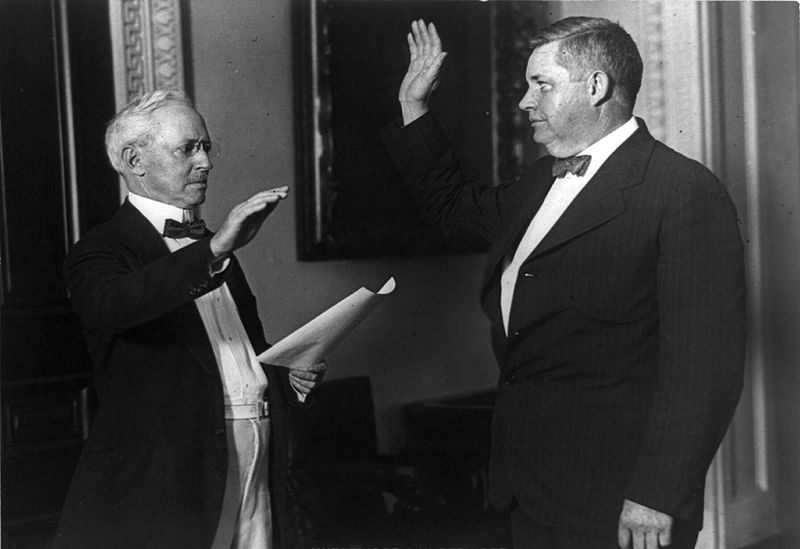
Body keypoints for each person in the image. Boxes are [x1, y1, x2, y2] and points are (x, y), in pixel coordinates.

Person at [381, 17, 745, 549]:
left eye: (541, 84)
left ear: (596, 87)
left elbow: (706, 370)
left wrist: (659, 494)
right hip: (531, 489)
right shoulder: (538, 181)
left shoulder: (682, 191)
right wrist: (414, 106)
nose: (525, 102)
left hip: (622, 499)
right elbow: (455, 209)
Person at [53, 89, 326, 549]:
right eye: (188, 149)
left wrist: (284, 377)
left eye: (206, 147)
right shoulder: (101, 249)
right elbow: (114, 305)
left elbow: (229, 355)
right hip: (175, 470)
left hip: (256, 453)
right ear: (134, 160)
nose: (206, 163)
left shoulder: (208, 242)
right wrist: (214, 251)